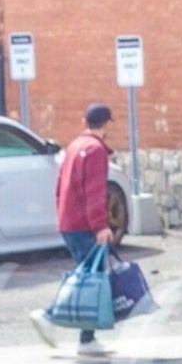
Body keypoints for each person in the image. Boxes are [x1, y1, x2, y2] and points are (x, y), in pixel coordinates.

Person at [55, 103, 119, 263]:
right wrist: (100, 227)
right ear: (105, 124)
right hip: (84, 226)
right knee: (96, 280)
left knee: (86, 276)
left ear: (84, 122)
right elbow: (95, 192)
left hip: (69, 223)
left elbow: (59, 186)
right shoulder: (95, 149)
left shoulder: (74, 145)